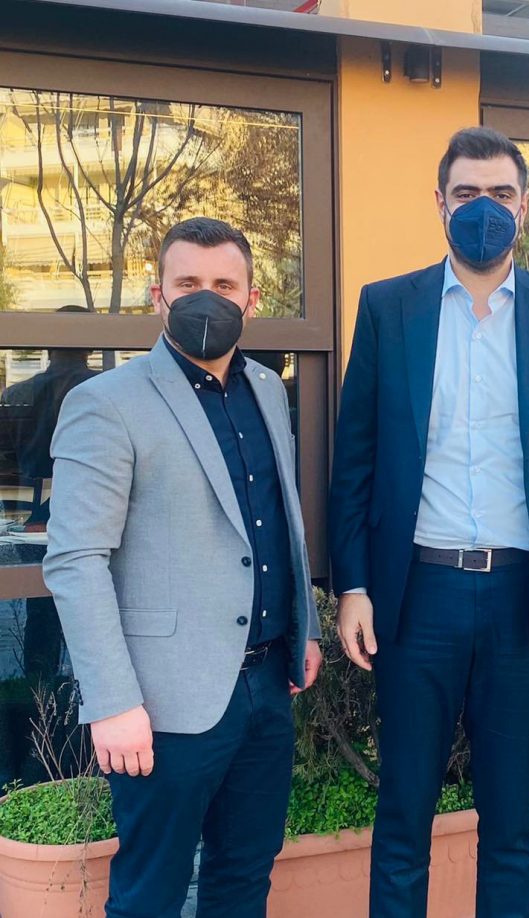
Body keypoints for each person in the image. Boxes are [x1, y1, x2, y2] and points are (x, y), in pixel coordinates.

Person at [329, 126, 529, 918]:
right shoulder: (388, 307)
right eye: (466, 193)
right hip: (419, 595)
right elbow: (355, 458)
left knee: (512, 822)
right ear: (440, 203)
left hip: (525, 597)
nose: (483, 208)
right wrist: (353, 584)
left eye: (500, 193)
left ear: (525, 206)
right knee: (403, 815)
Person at [43, 217, 322, 918]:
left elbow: (276, 520)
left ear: (252, 299)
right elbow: (76, 559)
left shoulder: (268, 388)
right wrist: (112, 702)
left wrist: (306, 630)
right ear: (158, 296)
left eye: (225, 284)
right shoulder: (106, 403)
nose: (207, 297)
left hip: (266, 685)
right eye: (189, 282)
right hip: (161, 703)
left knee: (244, 880)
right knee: (150, 896)